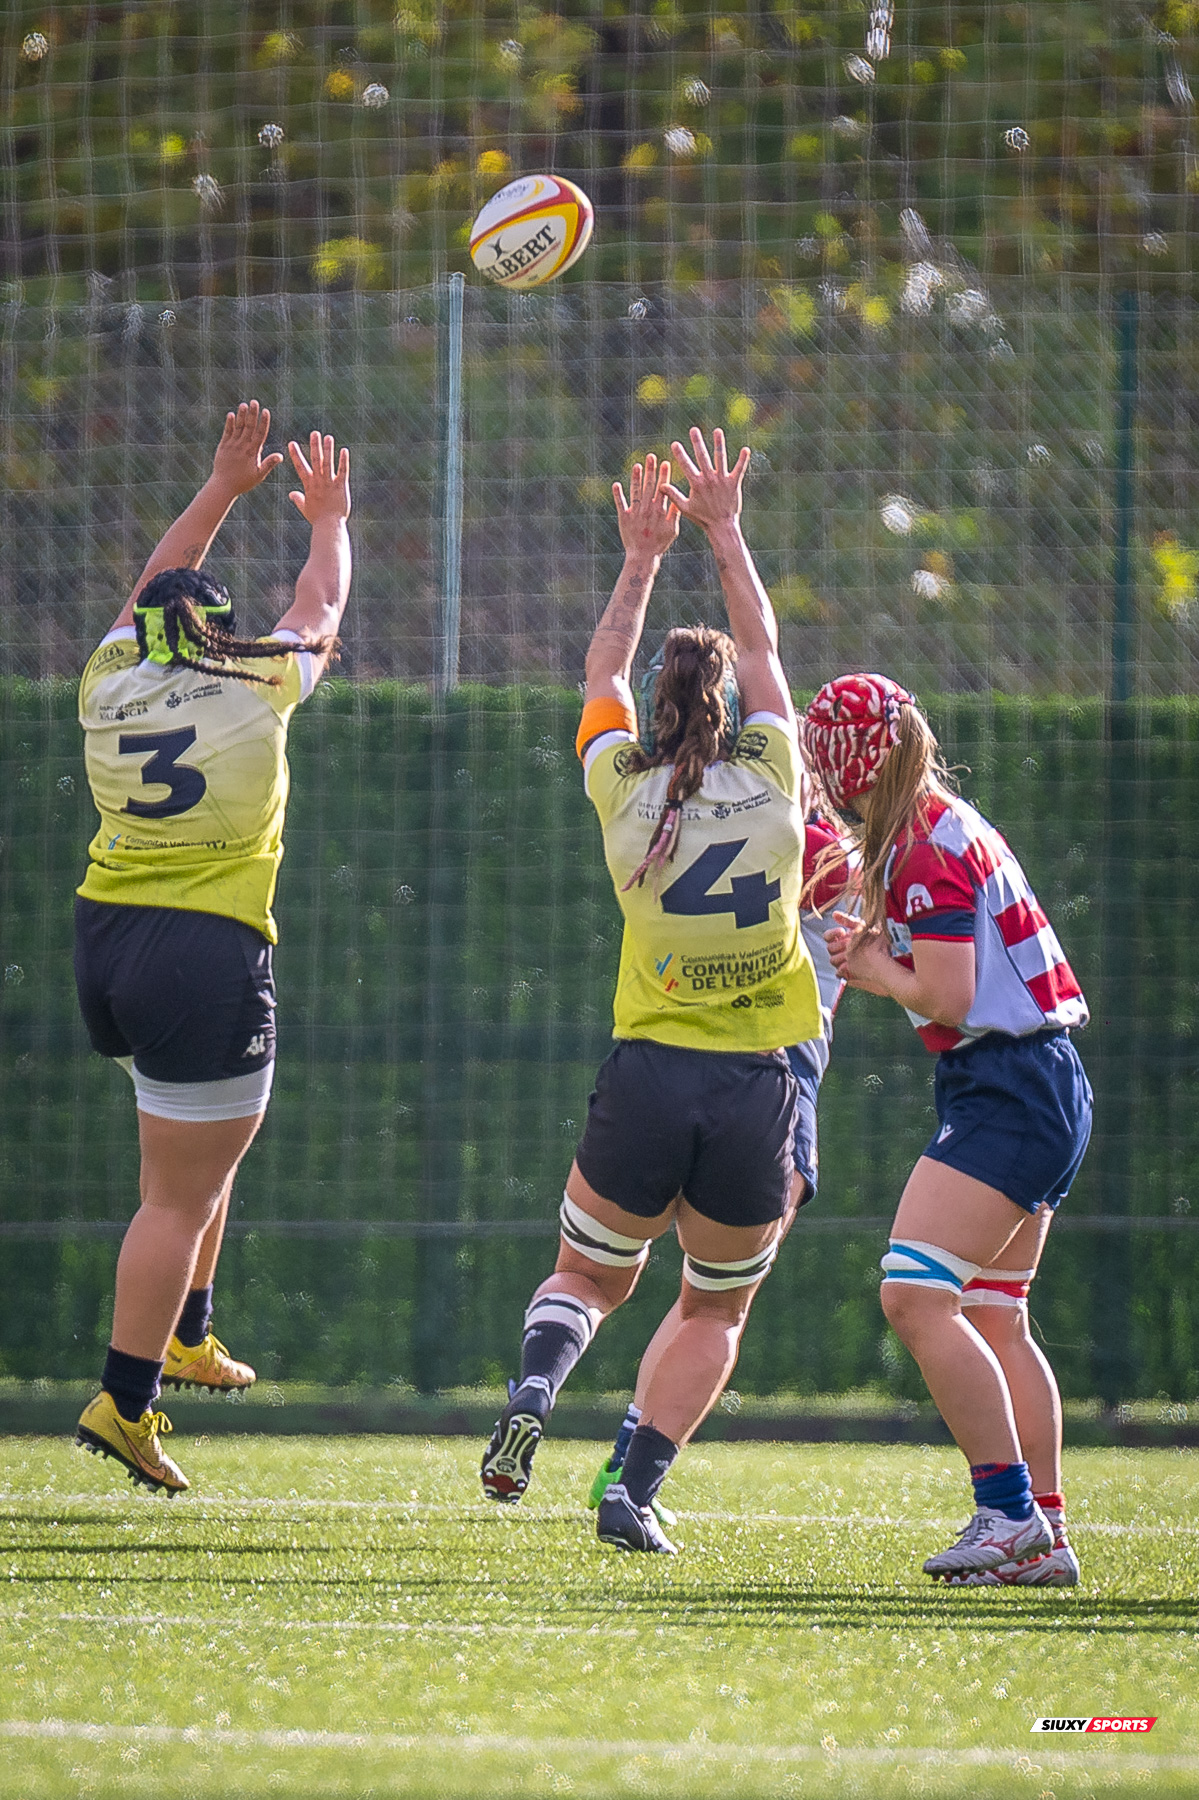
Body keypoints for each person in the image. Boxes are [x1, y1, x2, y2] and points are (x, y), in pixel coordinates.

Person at [480, 427, 823, 1552]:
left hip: (647, 1073)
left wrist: (639, 556)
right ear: (733, 713)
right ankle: (631, 1487)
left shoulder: (622, 788)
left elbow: (598, 677)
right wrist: (725, 530)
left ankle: (537, 1392)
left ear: (656, 714)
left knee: (587, 1271)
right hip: (753, 1087)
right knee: (714, 1302)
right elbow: (765, 647)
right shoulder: (775, 779)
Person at [73, 403, 352, 1493]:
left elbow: (157, 576)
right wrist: (326, 516)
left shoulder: (105, 685)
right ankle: (124, 1400)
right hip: (204, 953)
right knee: (176, 1194)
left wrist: (222, 489)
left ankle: (186, 1328)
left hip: (107, 938)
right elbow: (319, 601)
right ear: (220, 628)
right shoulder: (256, 680)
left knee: (193, 1161)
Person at [808, 673, 1092, 1585]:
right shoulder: (940, 819)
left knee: (912, 1295)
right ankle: (1043, 1531)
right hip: (1045, 1081)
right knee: (993, 1315)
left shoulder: (925, 847)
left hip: (1005, 1084)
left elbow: (948, 995)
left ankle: (1007, 1516)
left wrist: (866, 964)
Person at [584, 806, 855, 1523]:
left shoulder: (724, 819)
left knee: (701, 1294)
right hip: (777, 1065)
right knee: (719, 1298)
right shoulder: (817, 844)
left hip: (707, 1054)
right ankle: (631, 1469)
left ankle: (625, 1460)